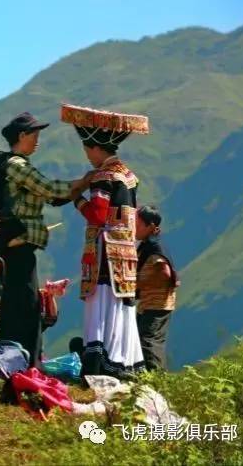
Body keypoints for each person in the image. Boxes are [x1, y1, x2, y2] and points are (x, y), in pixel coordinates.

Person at [0, 112, 91, 369]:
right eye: (34, 135)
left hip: (17, 245)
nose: (38, 140)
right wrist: (85, 181)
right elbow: (49, 190)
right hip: (19, 246)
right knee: (24, 304)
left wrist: (77, 187)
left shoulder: (15, 164)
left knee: (20, 302)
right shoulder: (17, 166)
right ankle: (25, 361)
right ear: (22, 136)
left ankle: (19, 358)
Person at [61, 103, 150, 379]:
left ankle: (100, 361)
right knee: (120, 307)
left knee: (100, 303)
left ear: (97, 148)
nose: (87, 155)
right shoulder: (128, 176)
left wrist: (76, 199)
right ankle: (125, 361)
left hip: (104, 253)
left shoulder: (103, 176)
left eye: (87, 149)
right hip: (125, 252)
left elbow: (98, 214)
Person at [135, 205, 179, 371]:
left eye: (138, 225)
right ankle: (151, 378)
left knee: (149, 341)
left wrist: (140, 282)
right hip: (148, 303)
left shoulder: (155, 247)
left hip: (157, 303)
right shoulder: (148, 245)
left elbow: (165, 273)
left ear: (151, 227)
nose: (135, 228)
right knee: (144, 339)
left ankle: (157, 381)